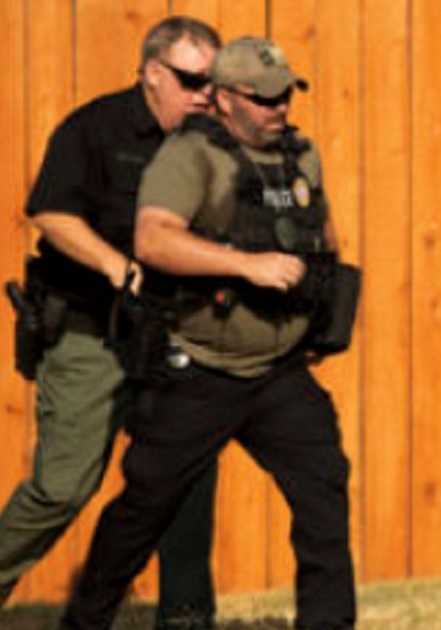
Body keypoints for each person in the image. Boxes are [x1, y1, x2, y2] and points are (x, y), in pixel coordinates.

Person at [58, 36, 357, 630]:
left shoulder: (301, 154)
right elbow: (153, 239)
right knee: (144, 507)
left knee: (324, 485)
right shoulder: (188, 157)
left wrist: (319, 318)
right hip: (199, 369)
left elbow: (322, 236)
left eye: (285, 95)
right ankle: (84, 622)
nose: (278, 108)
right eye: (263, 97)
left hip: (278, 371)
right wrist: (246, 265)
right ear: (222, 98)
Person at [0, 16, 222, 629]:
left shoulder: (216, 142)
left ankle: (185, 615)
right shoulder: (93, 128)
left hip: (175, 335)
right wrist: (115, 265)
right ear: (153, 73)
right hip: (91, 335)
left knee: (187, 475)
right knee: (62, 489)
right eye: (191, 79)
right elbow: (50, 213)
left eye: (214, 79)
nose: (206, 92)